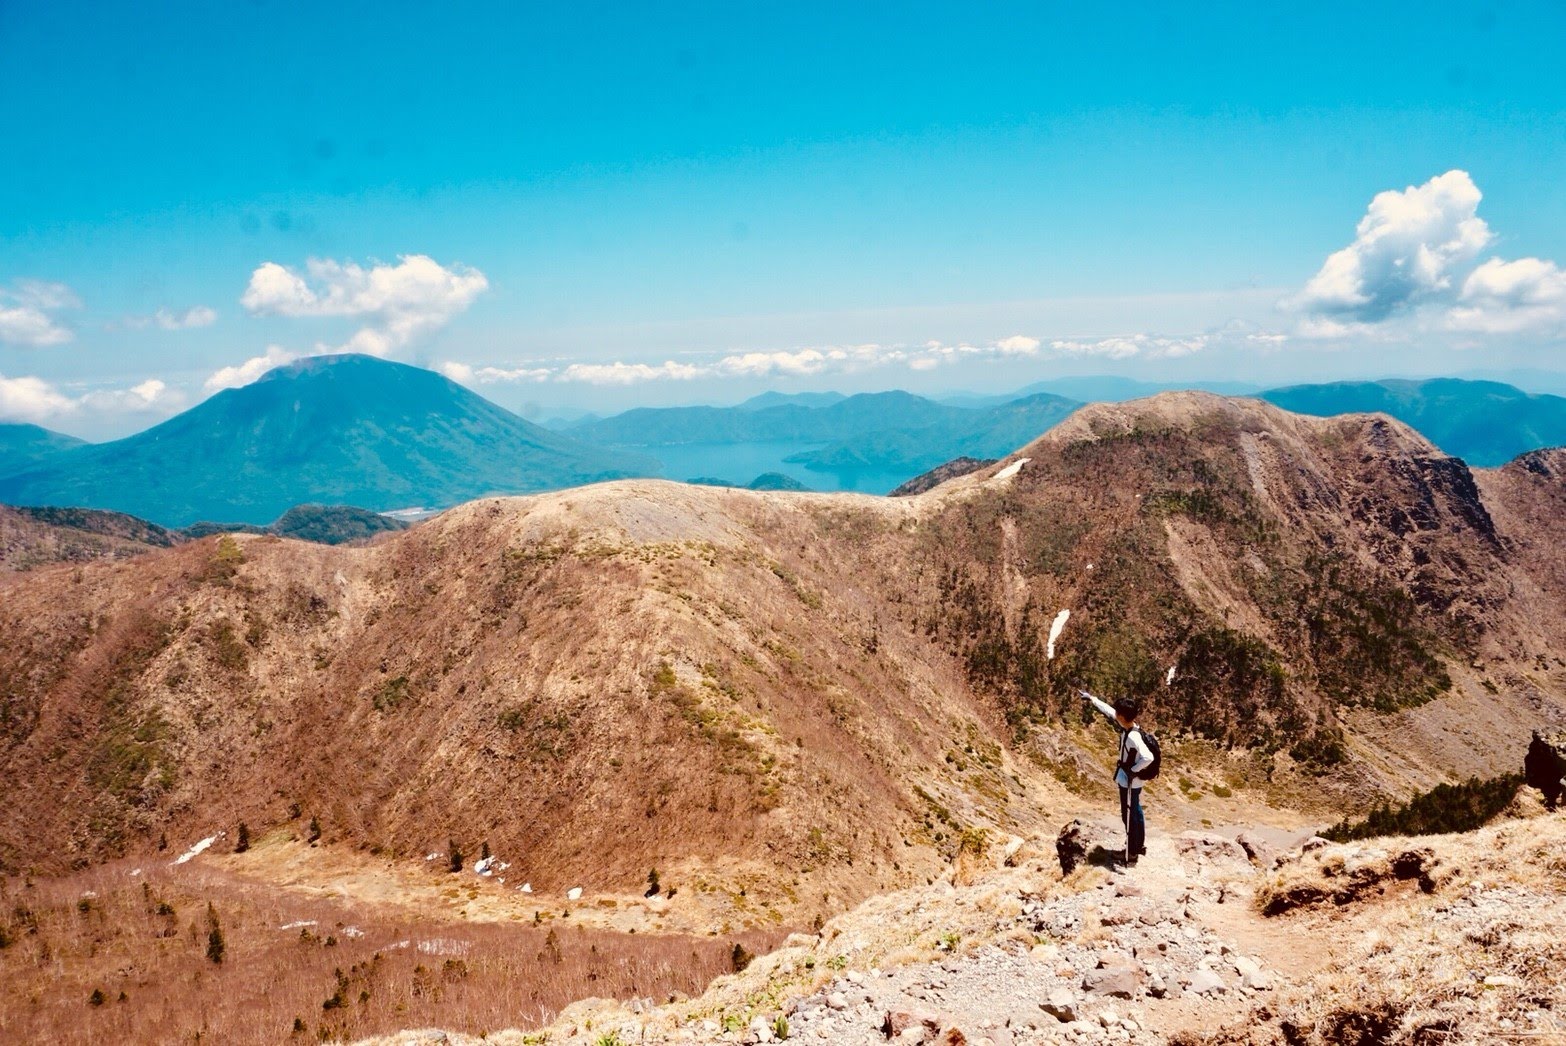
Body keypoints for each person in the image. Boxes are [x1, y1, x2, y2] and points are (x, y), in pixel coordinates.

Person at [1081, 689, 1154, 867]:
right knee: (1135, 812)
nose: (1115, 714)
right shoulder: (1131, 727)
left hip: (1130, 783)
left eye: (1117, 713)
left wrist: (1133, 771)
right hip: (1134, 782)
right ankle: (1137, 846)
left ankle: (1130, 854)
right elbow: (1109, 711)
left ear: (1122, 716)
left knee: (1128, 816)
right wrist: (1093, 699)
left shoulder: (1133, 737)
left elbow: (1148, 757)